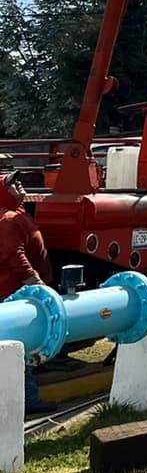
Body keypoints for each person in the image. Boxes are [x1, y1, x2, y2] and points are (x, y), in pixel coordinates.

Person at [0, 173, 53, 412]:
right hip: (15, 293)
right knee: (21, 345)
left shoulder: (16, 214)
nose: (18, 184)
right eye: (10, 184)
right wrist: (38, 285)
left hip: (17, 291)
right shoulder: (9, 219)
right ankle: (27, 400)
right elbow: (14, 256)